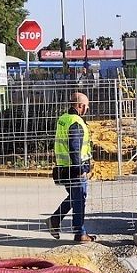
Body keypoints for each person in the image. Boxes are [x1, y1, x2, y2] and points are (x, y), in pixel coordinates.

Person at [48, 91, 94, 243]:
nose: (87, 109)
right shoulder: (76, 122)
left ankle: (54, 220)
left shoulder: (63, 119)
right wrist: (80, 169)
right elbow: (74, 146)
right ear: (80, 106)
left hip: (63, 167)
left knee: (75, 198)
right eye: (86, 106)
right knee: (79, 199)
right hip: (74, 168)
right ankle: (80, 233)